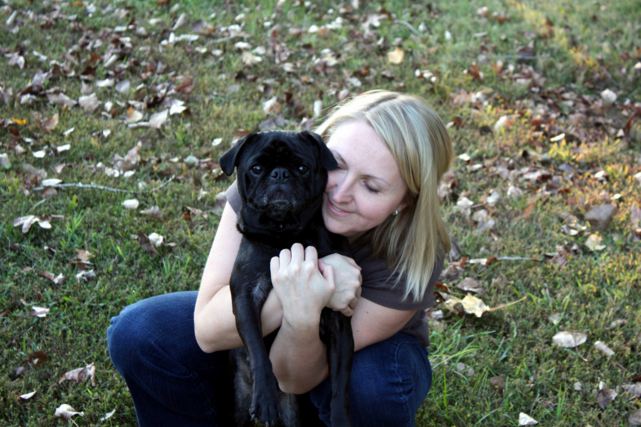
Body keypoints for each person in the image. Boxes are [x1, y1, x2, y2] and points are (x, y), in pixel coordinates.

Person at [107, 89, 453, 427]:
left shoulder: (412, 252)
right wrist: (307, 286)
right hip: (258, 336)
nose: (341, 193)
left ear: (406, 201)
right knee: (140, 331)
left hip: (339, 360)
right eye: (338, 165)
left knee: (374, 386)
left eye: (371, 186)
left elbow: (298, 378)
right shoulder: (264, 184)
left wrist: (303, 311)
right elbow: (209, 331)